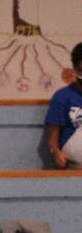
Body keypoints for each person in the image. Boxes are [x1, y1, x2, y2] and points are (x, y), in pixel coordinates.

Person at [45, 41, 82, 169]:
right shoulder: (62, 96)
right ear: (75, 70)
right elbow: (53, 139)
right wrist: (56, 154)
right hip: (73, 167)